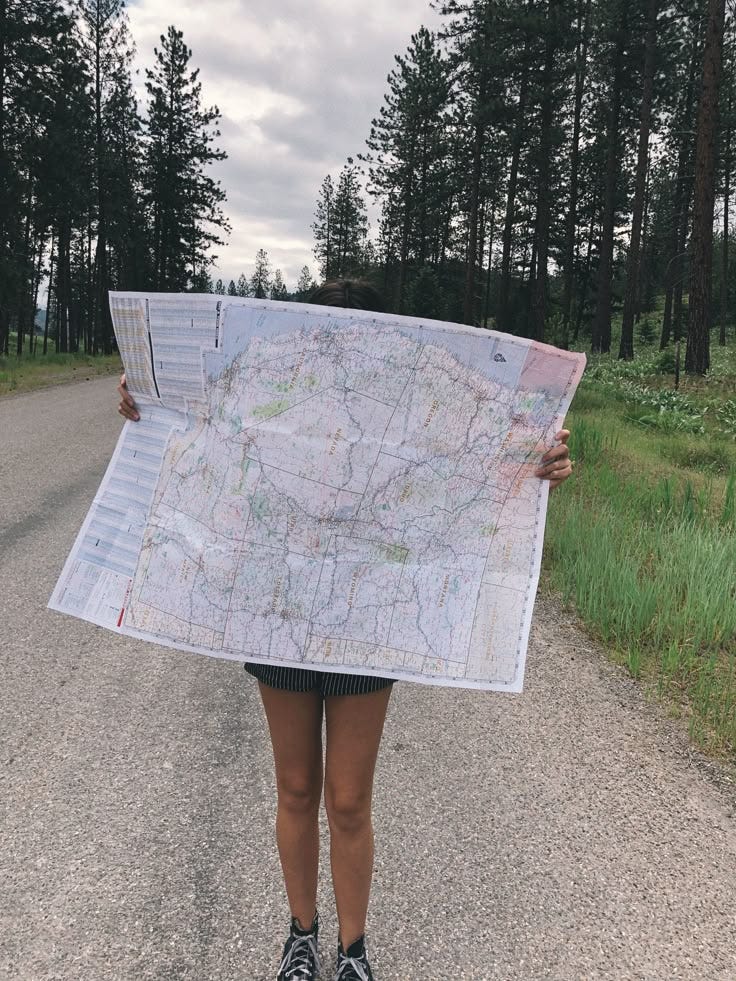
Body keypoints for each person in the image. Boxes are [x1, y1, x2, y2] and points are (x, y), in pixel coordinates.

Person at [117, 280, 573, 981]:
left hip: (367, 618)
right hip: (281, 615)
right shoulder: (280, 397)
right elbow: (202, 418)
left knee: (350, 799)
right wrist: (144, 402)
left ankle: (353, 951)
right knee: (297, 787)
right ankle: (301, 936)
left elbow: (478, 449)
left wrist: (538, 456)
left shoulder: (404, 411)